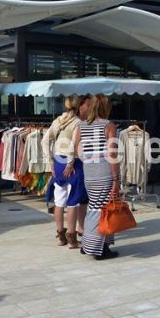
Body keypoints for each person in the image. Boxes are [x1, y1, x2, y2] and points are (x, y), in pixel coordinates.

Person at [73, 94, 120, 260]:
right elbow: (112, 153)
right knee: (100, 210)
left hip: (89, 173)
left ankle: (98, 245)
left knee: (95, 207)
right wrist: (116, 179)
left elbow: (76, 149)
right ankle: (94, 248)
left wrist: (89, 160)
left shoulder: (82, 125)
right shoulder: (108, 125)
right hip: (104, 172)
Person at [48, 96, 87, 248]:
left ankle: (60, 236)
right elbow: (73, 145)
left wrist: (50, 161)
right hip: (73, 164)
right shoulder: (78, 123)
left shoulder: (57, 120)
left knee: (59, 201)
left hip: (57, 161)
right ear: (79, 107)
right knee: (73, 202)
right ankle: (72, 238)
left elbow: (45, 140)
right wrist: (70, 163)